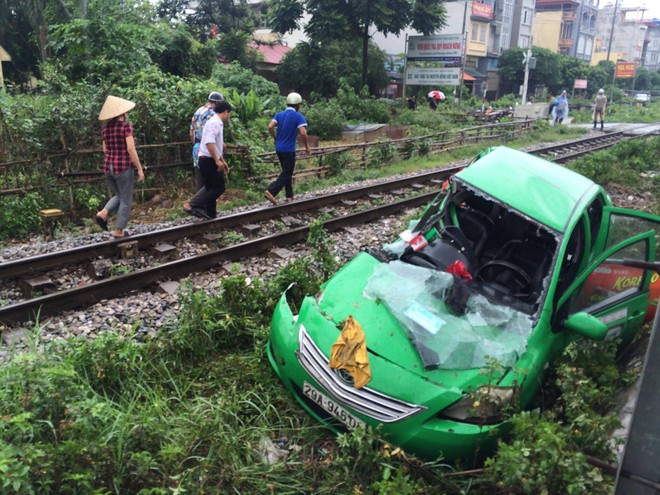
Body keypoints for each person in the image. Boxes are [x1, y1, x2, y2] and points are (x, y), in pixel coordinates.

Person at [95, 95, 145, 238]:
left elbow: (105, 149)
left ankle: (103, 213)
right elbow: (131, 148)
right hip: (123, 167)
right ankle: (119, 230)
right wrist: (139, 168)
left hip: (108, 166)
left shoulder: (105, 129)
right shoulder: (126, 127)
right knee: (126, 199)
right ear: (122, 113)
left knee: (119, 195)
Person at [184, 100, 234, 219]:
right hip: (208, 159)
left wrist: (222, 160)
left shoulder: (217, 122)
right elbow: (209, 142)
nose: (230, 117)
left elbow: (217, 144)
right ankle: (193, 204)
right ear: (226, 112)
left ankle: (210, 214)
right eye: (230, 114)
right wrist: (217, 160)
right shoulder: (214, 123)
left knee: (210, 186)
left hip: (209, 159)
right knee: (218, 187)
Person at [264, 92, 311, 205]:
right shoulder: (298, 116)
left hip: (279, 149)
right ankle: (271, 191)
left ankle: (289, 195)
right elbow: (303, 133)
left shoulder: (279, 115)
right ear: (298, 105)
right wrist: (307, 146)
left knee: (286, 171)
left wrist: (275, 138)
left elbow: (270, 126)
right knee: (287, 172)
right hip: (289, 150)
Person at [190, 91, 224, 191]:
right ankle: (201, 204)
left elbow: (191, 133)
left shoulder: (198, 111)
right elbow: (210, 138)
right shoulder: (212, 114)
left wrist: (196, 145)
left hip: (197, 150)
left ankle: (198, 204)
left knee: (200, 181)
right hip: (209, 152)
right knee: (212, 183)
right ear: (216, 103)